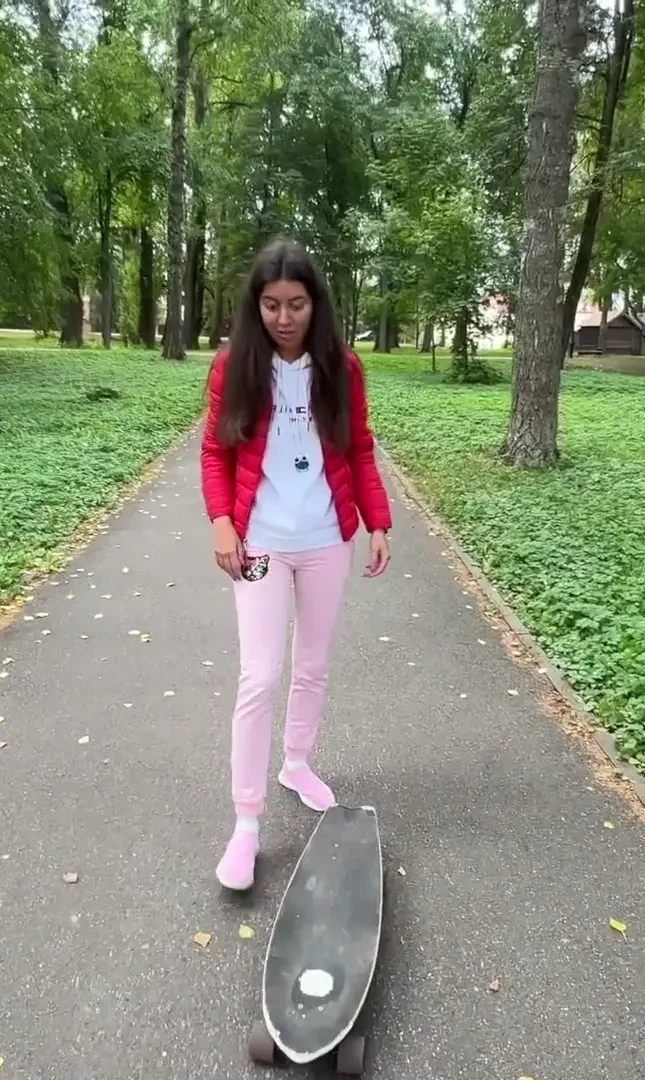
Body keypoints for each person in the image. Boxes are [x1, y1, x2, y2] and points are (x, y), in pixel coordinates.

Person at [199, 238, 392, 890]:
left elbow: (359, 448)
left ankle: (297, 763)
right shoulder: (235, 366)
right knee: (259, 676)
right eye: (272, 304)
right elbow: (215, 451)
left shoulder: (342, 367)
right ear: (256, 306)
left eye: (297, 304)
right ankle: (246, 823)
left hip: (326, 541)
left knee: (311, 665)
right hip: (260, 546)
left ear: (316, 304)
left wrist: (378, 522)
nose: (284, 317)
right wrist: (222, 522)